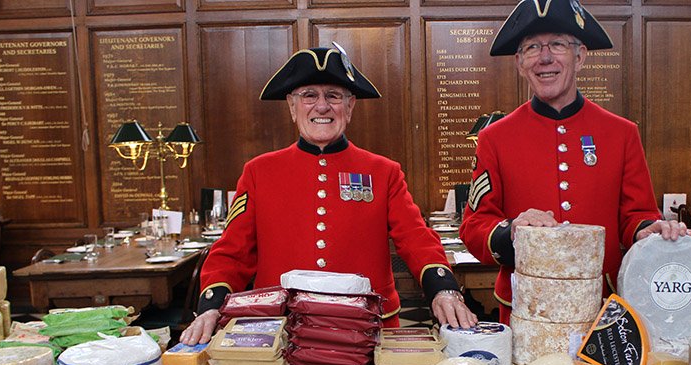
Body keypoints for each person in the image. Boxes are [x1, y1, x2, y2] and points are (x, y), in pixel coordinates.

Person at [182, 45, 476, 344]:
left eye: (333, 96)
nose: (321, 106)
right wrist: (210, 308)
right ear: (291, 106)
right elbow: (232, 252)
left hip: (367, 330)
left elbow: (416, 237)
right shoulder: (259, 172)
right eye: (309, 95)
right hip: (283, 332)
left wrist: (443, 289)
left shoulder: (383, 171)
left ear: (350, 107)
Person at [459, 0, 691, 324]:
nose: (544, 57)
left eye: (557, 44)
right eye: (532, 47)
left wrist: (646, 231)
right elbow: (473, 227)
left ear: (580, 56)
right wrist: (512, 231)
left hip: (603, 309)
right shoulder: (494, 138)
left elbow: (637, 215)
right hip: (525, 308)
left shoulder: (621, 133)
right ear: (519, 62)